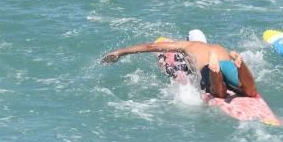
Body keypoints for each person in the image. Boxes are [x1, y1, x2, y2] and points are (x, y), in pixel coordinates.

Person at [101, 29, 259, 99]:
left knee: (220, 93)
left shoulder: (188, 46)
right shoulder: (218, 46)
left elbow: (151, 47)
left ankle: (215, 72)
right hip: (225, 61)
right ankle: (241, 65)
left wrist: (120, 52)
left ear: (189, 40)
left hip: (208, 68)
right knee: (249, 91)